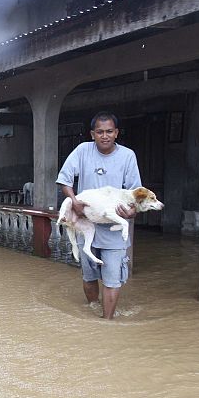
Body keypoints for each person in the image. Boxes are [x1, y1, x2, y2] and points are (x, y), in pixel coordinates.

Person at [56, 111, 142, 319]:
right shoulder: (82, 151)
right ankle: (94, 309)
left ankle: (107, 322)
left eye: (109, 131)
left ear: (116, 133)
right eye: (100, 132)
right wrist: (74, 201)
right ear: (92, 134)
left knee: (112, 278)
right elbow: (64, 180)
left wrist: (132, 211)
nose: (105, 136)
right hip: (86, 224)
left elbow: (136, 192)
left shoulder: (127, 156)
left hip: (114, 227)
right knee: (89, 275)